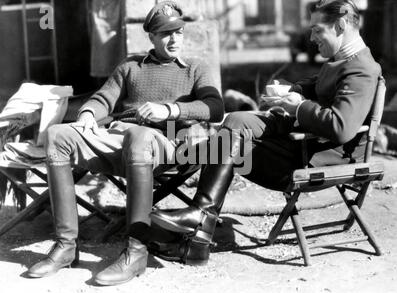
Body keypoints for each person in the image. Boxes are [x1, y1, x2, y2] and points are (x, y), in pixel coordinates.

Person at [151, 0, 382, 261]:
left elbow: (341, 128)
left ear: (340, 26)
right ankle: (199, 230)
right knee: (236, 121)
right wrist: (293, 90)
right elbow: (321, 84)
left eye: (318, 30)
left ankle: (199, 225)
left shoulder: (362, 69)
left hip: (317, 159)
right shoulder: (344, 59)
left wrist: (300, 107)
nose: (311, 37)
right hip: (305, 144)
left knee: (225, 143)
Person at [26, 1, 224, 286]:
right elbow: (103, 98)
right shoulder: (131, 65)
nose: (174, 39)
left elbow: (215, 107)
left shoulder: (194, 68)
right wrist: (86, 115)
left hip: (167, 144)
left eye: (178, 32)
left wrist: (170, 110)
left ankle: (136, 252)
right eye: (166, 33)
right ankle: (66, 246)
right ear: (152, 37)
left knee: (139, 135)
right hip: (121, 141)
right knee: (59, 135)